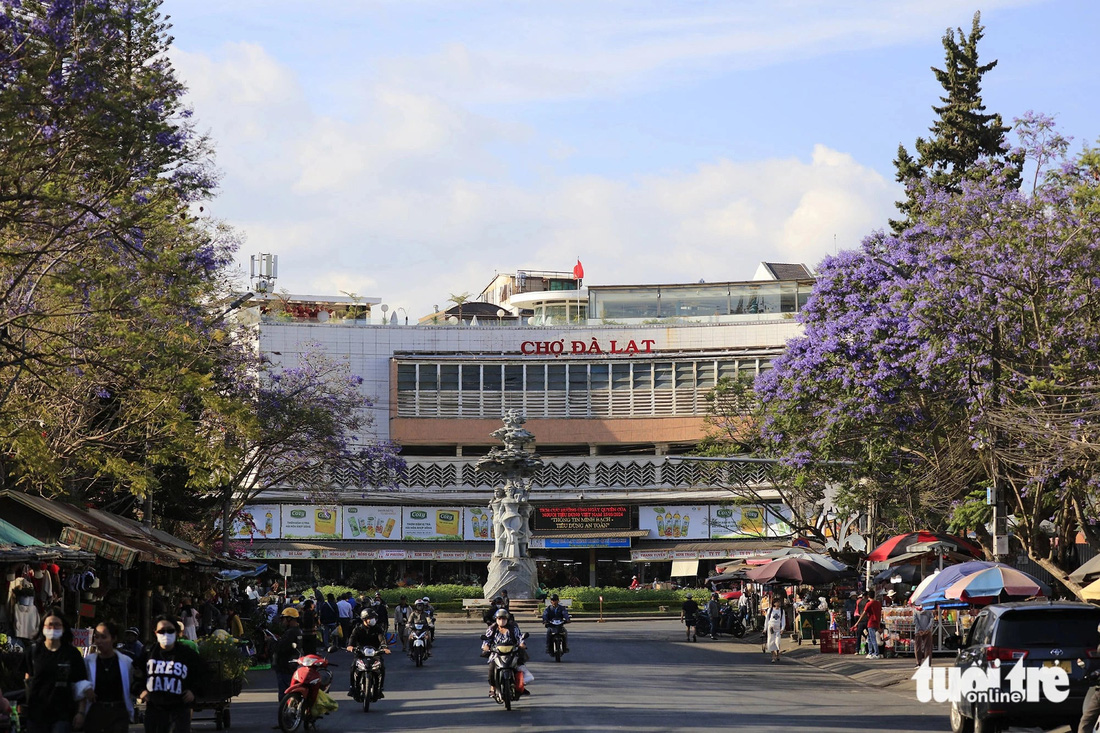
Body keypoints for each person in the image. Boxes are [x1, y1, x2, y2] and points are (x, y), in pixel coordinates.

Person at [22, 611, 89, 733]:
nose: (53, 628)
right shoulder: (33, 652)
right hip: (36, 716)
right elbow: (27, 680)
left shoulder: (72, 654)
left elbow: (81, 685)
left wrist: (81, 712)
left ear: (64, 628)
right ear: (42, 627)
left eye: (57, 625)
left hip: (63, 715)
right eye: (49, 625)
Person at [136, 615, 204, 733]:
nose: (165, 634)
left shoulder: (188, 654)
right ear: (155, 633)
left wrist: (193, 691)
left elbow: (203, 674)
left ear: (177, 632)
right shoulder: (148, 654)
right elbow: (135, 675)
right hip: (155, 711)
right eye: (161, 631)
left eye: (170, 630)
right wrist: (140, 690)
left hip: (179, 711)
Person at [83, 621, 135, 733]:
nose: (99, 641)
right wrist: (86, 688)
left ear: (114, 638)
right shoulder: (88, 662)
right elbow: (79, 682)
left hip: (118, 713)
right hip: (95, 712)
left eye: (103, 637)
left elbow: (133, 685)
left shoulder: (126, 663)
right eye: (96, 637)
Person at [481, 608, 528, 698]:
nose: (501, 621)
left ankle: (520, 686)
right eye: (499, 619)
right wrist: (486, 646)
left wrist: (522, 644)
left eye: (504, 619)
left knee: (520, 668)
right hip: (496, 654)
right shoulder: (492, 628)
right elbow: (487, 639)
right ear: (496, 619)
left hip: (511, 653)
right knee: (491, 670)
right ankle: (492, 688)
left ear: (507, 619)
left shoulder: (513, 628)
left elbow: (519, 637)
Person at [346, 609, 390, 701]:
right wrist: (350, 646)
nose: (373, 620)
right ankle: (352, 688)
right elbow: (352, 639)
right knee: (353, 666)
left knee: (382, 667)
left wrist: (384, 648)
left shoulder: (378, 629)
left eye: (373, 618)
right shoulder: (358, 629)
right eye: (370, 618)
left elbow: (382, 639)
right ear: (364, 619)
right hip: (361, 653)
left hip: (375, 653)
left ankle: (380, 689)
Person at [271, 607, 303, 703]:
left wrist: (271, 641)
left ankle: (287, 712)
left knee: (285, 694)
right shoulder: (297, 631)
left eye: (284, 619)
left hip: (285, 666)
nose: (283, 621)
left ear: (289, 619)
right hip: (291, 665)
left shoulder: (291, 633)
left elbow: (280, 648)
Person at [861, 591, 883, 659]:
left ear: (868, 596)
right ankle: (870, 653)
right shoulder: (878, 603)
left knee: (872, 639)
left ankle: (876, 653)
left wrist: (857, 623)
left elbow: (863, 613)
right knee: (869, 638)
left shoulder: (869, 604)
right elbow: (880, 613)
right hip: (876, 622)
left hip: (871, 622)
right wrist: (879, 624)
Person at [913, 603, 934, 667]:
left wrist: (919, 629)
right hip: (928, 631)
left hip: (918, 631)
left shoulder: (915, 610)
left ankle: (918, 662)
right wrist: (927, 629)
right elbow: (932, 619)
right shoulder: (929, 609)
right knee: (928, 647)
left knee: (918, 647)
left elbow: (915, 620)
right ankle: (927, 664)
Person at [765, 598, 786, 662]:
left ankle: (778, 653)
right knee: (771, 642)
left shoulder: (782, 611)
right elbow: (767, 620)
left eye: (779, 602)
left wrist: (782, 628)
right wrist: (765, 628)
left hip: (778, 628)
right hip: (771, 627)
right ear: (774, 603)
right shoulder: (770, 610)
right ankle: (773, 656)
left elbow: (783, 620)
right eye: (777, 602)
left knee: (777, 641)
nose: (778, 603)